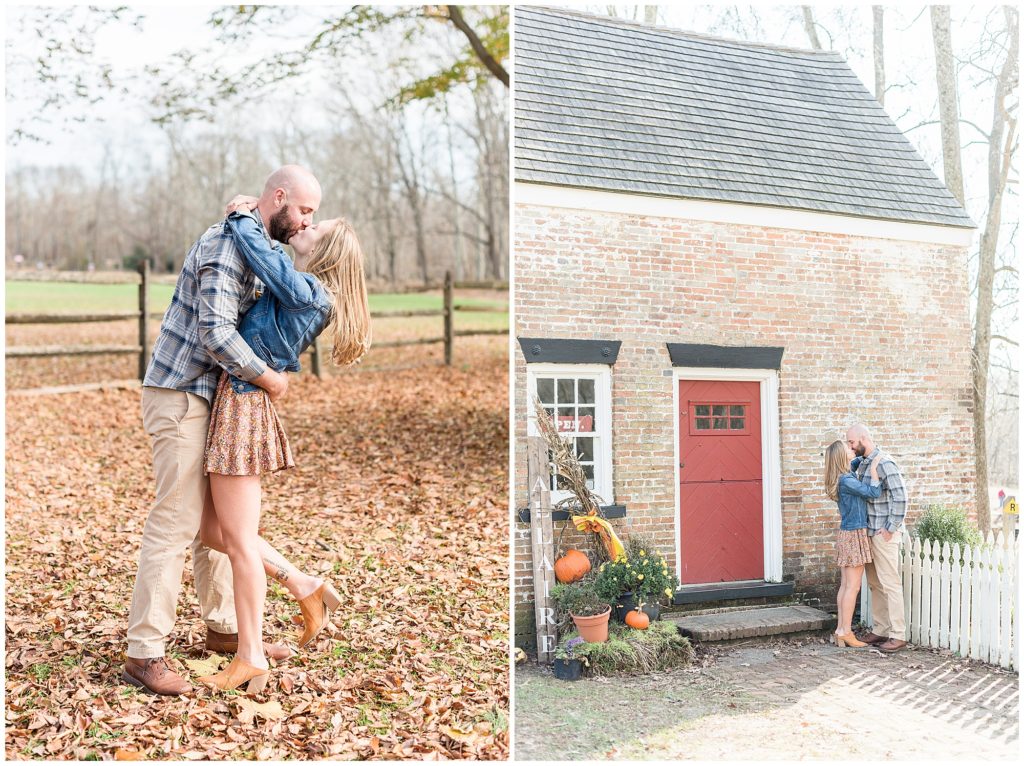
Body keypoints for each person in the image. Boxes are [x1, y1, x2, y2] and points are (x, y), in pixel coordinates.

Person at [123, 166, 320, 696]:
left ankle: (225, 630)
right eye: (303, 210)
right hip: (181, 392)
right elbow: (214, 331)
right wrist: (268, 378)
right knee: (177, 520)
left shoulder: (255, 242)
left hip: (212, 396)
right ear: (278, 197)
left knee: (219, 521)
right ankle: (144, 652)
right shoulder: (225, 247)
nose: (305, 221)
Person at [194, 198, 372, 693]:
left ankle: (250, 655)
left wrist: (240, 216)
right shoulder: (313, 292)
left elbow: (261, 255)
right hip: (242, 398)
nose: (307, 223)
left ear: (327, 251)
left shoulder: (311, 292)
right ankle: (303, 584)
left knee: (239, 542)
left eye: (317, 225)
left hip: (243, 401)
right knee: (212, 529)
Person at [846, 423, 909, 653]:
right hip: (868, 532)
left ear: (863, 438)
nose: (850, 447)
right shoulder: (862, 463)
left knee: (890, 584)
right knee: (874, 584)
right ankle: (881, 629)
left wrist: (891, 528)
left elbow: (901, 496)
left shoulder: (884, 462)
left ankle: (898, 634)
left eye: (852, 442)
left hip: (884, 534)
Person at [824, 440, 881, 647]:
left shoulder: (842, 476)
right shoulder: (847, 481)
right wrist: (874, 469)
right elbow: (873, 492)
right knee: (853, 587)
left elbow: (855, 463)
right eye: (848, 448)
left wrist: (865, 456)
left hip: (846, 534)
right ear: (841, 456)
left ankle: (840, 630)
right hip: (855, 534)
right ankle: (846, 632)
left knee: (846, 585)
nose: (852, 449)